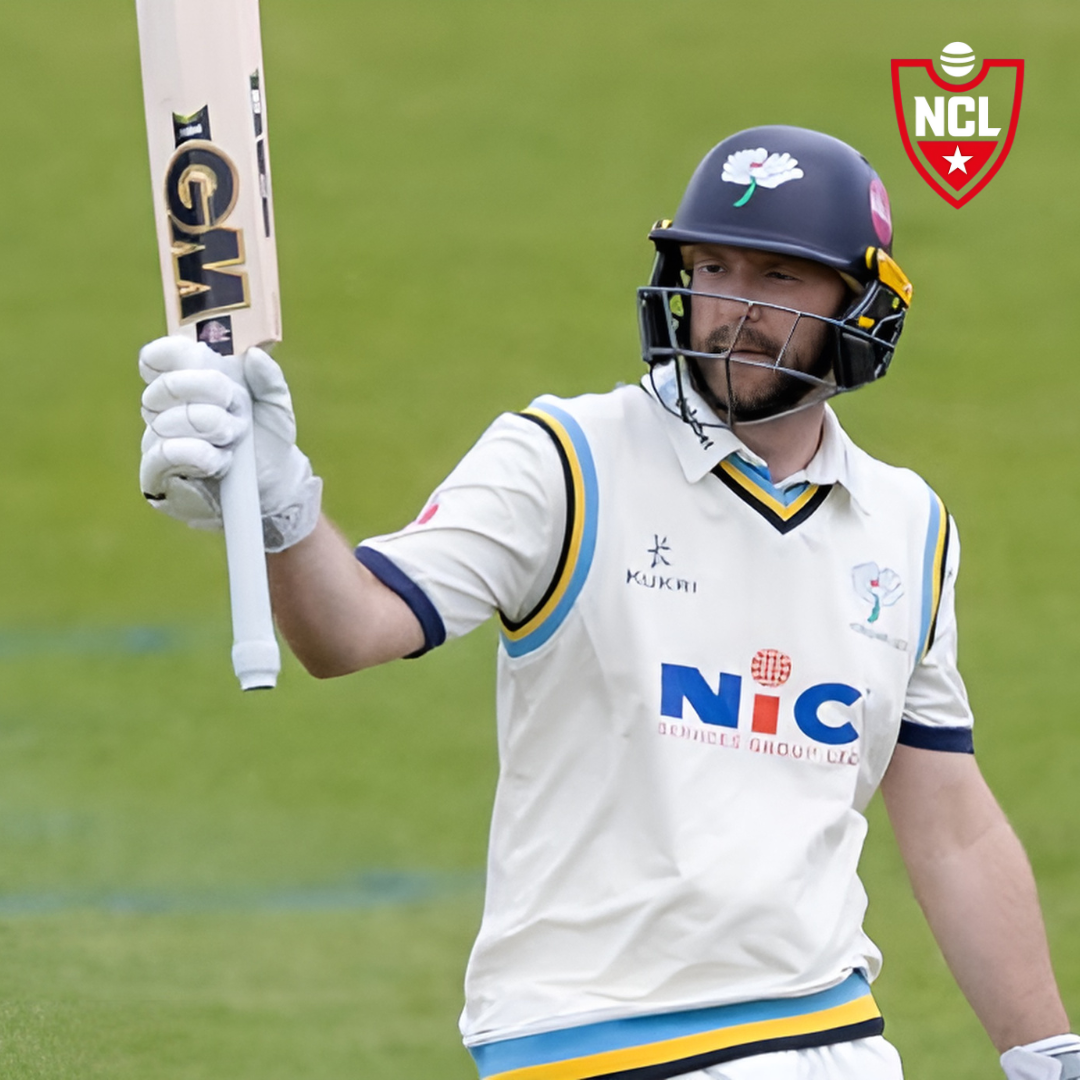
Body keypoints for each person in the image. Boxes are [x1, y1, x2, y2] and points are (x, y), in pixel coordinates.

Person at [138, 126, 1078, 1080]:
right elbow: (350, 629)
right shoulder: (564, 460)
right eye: (713, 267)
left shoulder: (909, 528)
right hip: (597, 1044)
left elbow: (951, 822)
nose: (734, 308)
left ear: (861, 304)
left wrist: (1044, 1050)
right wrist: (283, 503)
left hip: (836, 1033)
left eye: (779, 279)